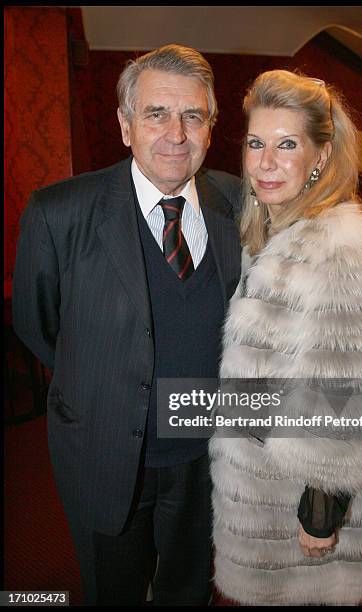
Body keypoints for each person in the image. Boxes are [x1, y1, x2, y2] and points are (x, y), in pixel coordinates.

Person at [12, 44, 242, 606]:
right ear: (124, 126)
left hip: (205, 456)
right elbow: (40, 329)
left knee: (188, 587)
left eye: (193, 115)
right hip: (105, 451)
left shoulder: (240, 204)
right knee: (111, 590)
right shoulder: (58, 212)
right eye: (156, 114)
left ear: (212, 127)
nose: (176, 133)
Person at [209, 70, 362, 606]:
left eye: (287, 145)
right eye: (256, 143)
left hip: (301, 507)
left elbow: (346, 397)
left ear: (321, 156)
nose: (265, 162)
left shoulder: (338, 246)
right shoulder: (272, 231)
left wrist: (319, 518)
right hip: (262, 489)